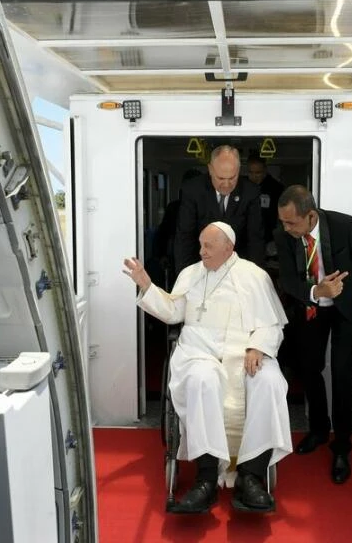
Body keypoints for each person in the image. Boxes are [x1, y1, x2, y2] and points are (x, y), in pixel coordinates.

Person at [123, 222, 291, 513]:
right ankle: (206, 479)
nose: (201, 252)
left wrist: (259, 346)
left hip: (246, 350)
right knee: (203, 380)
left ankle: (251, 476)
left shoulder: (255, 275)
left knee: (270, 382)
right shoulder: (191, 274)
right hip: (199, 351)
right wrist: (147, 285)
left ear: (229, 247)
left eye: (208, 246)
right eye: (200, 245)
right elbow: (173, 312)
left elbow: (272, 323)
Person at [274, 185, 352, 484]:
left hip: (345, 309)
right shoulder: (283, 237)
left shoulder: (345, 225)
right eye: (283, 222)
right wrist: (317, 291)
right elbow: (288, 280)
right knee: (310, 369)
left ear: (311, 215)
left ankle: (341, 446)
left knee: (342, 375)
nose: (286, 228)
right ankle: (318, 430)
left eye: (292, 222)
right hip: (312, 307)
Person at [174, 145, 265, 274]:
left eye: (232, 178)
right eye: (221, 178)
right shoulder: (192, 190)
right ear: (210, 169)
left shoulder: (251, 192)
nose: (226, 184)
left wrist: (256, 277)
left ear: (238, 170)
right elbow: (184, 239)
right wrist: (184, 279)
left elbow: (255, 240)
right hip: (200, 266)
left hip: (238, 269)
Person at [246, 155, 285, 258]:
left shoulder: (276, 189)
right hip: (246, 238)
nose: (254, 176)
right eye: (251, 172)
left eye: (258, 173)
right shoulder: (242, 188)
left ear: (265, 171)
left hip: (269, 237)